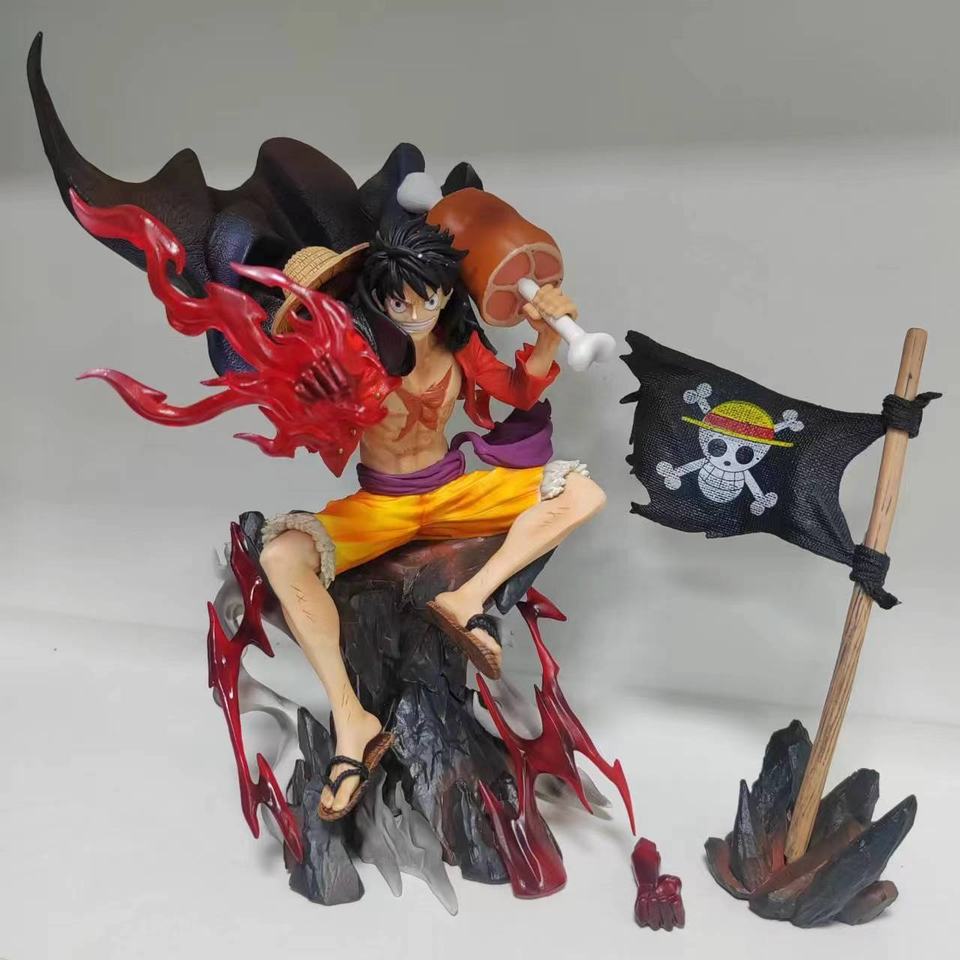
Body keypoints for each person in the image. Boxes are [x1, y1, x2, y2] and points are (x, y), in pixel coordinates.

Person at [258, 216, 606, 818]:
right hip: (382, 506)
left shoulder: (458, 345)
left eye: (430, 296)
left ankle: (466, 599)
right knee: (280, 554)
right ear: (376, 299)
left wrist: (547, 335)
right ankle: (352, 719)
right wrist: (318, 388)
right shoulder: (353, 358)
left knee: (580, 493)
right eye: (399, 301)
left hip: (451, 494)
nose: (417, 312)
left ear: (447, 293)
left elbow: (518, 392)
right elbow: (314, 424)